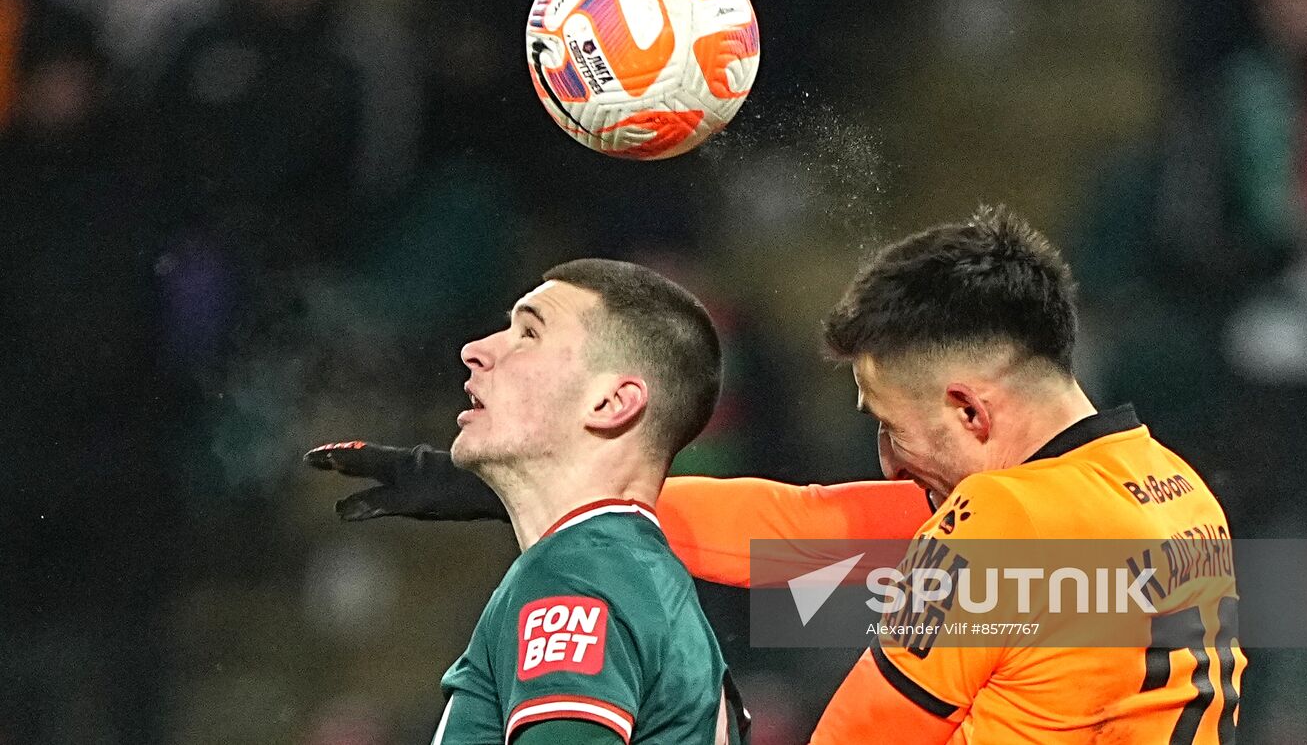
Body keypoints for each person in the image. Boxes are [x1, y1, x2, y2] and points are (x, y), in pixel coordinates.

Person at [310, 207, 1244, 741]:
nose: (886, 461)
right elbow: (799, 526)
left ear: (969, 410)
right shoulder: (1166, 491)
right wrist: (504, 481)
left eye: (890, 426)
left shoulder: (1001, 526)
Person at [315, 259, 749, 744]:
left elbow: (822, 579)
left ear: (609, 402)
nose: (474, 349)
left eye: (529, 333)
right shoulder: (630, 575)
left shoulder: (576, 578)